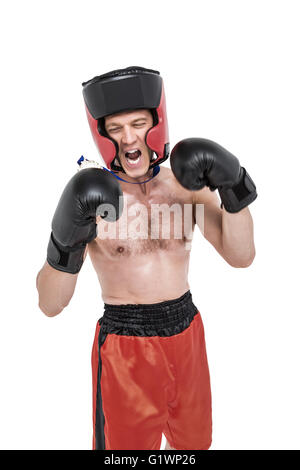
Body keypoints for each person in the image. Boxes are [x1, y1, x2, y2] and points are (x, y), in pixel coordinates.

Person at [36, 66, 257, 450]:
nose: (128, 138)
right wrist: (65, 240)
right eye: (115, 128)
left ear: (157, 122)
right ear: (101, 134)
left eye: (138, 123)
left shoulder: (185, 185)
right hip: (126, 344)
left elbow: (242, 256)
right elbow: (50, 304)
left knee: (193, 448)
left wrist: (233, 184)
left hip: (187, 330)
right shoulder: (92, 197)